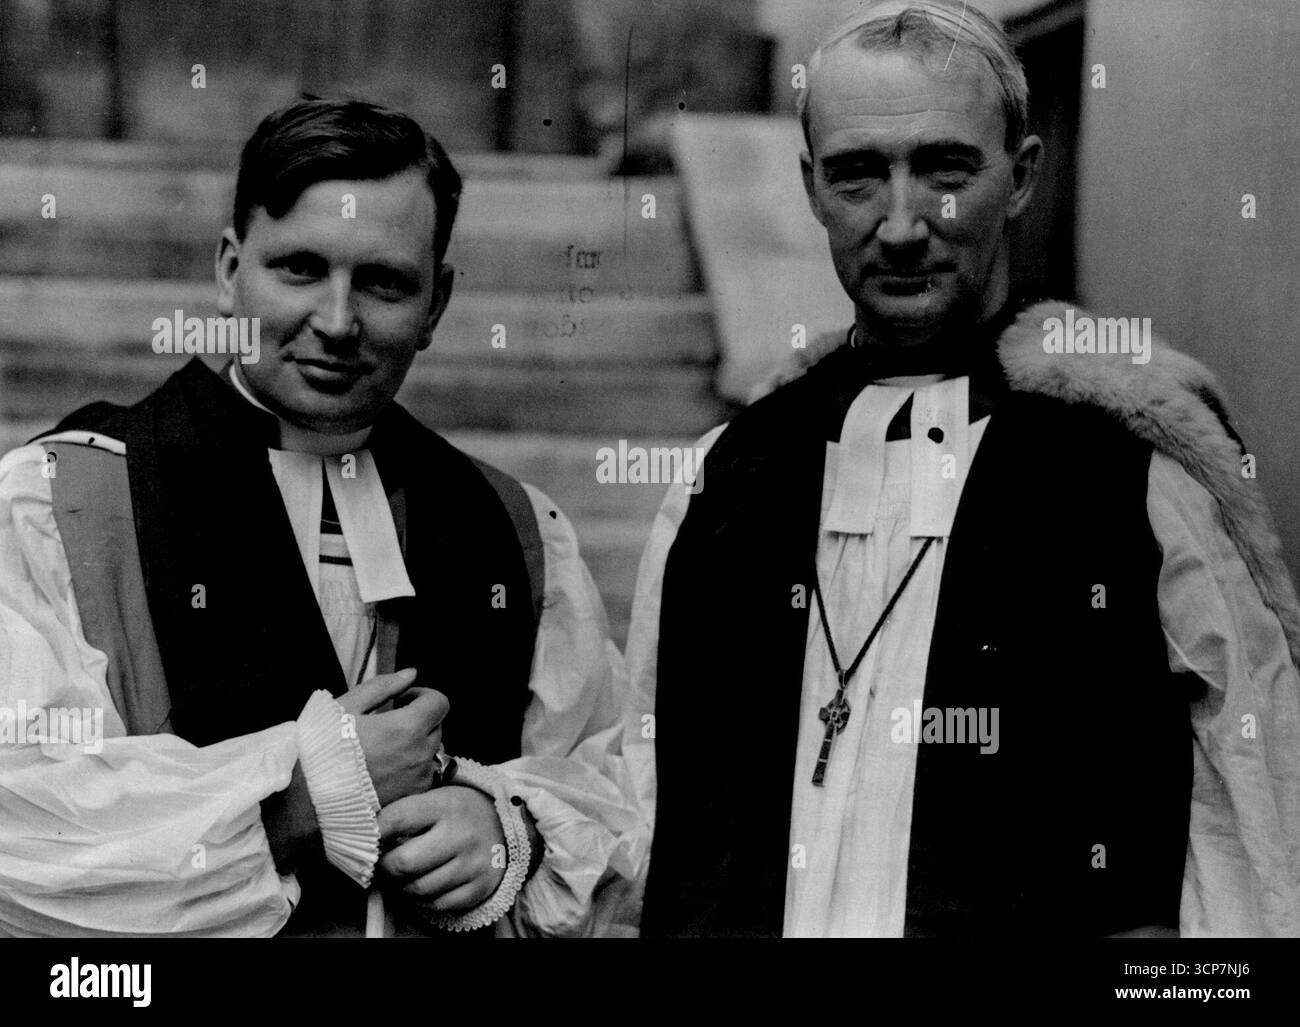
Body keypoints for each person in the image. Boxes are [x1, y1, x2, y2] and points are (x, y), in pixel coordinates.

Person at [626, 0, 1300, 937]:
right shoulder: (727, 477)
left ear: (1020, 178)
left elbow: (1255, 833)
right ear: (812, 187)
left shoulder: (1137, 464)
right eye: (858, 176)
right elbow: (641, 809)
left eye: (945, 170)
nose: (901, 226)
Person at [0, 98, 642, 937]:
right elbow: (27, 841)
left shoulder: (515, 529)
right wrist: (308, 795)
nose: (337, 323)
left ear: (438, 301)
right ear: (230, 269)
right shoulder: (63, 500)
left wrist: (507, 828)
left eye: (383, 282)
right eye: (299, 268)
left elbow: (623, 797)